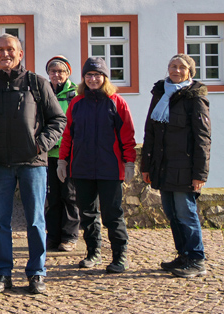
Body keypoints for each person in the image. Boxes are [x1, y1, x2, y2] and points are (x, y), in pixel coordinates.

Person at [0, 34, 65, 296]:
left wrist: (41, 145)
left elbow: (58, 120)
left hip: (32, 162)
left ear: (20, 54)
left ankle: (37, 273)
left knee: (35, 221)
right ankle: (2, 273)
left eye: (10, 49)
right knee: (0, 222)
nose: (4, 54)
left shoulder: (37, 83)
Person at [58, 58, 137, 274]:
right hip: (82, 168)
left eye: (97, 75)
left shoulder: (117, 102)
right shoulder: (76, 103)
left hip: (110, 168)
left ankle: (120, 257)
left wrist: (129, 162)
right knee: (87, 214)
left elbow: (127, 135)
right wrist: (63, 160)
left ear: (105, 78)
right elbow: (68, 135)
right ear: (84, 78)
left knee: (113, 214)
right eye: (89, 75)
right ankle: (93, 253)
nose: (93, 79)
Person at [139, 54, 211, 279]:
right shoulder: (160, 93)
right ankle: (183, 255)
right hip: (163, 166)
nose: (176, 70)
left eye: (182, 67)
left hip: (185, 168)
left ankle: (197, 260)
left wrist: (200, 174)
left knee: (186, 213)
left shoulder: (194, 97)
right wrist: (147, 165)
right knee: (172, 213)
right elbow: (150, 131)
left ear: (190, 72)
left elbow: (203, 138)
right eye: (173, 66)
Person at [44, 55, 81, 253]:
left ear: (68, 73)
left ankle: (70, 236)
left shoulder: (75, 94)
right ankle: (53, 236)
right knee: (52, 197)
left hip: (68, 154)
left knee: (70, 196)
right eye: (53, 71)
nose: (56, 75)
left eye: (61, 71)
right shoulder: (44, 91)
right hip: (48, 154)